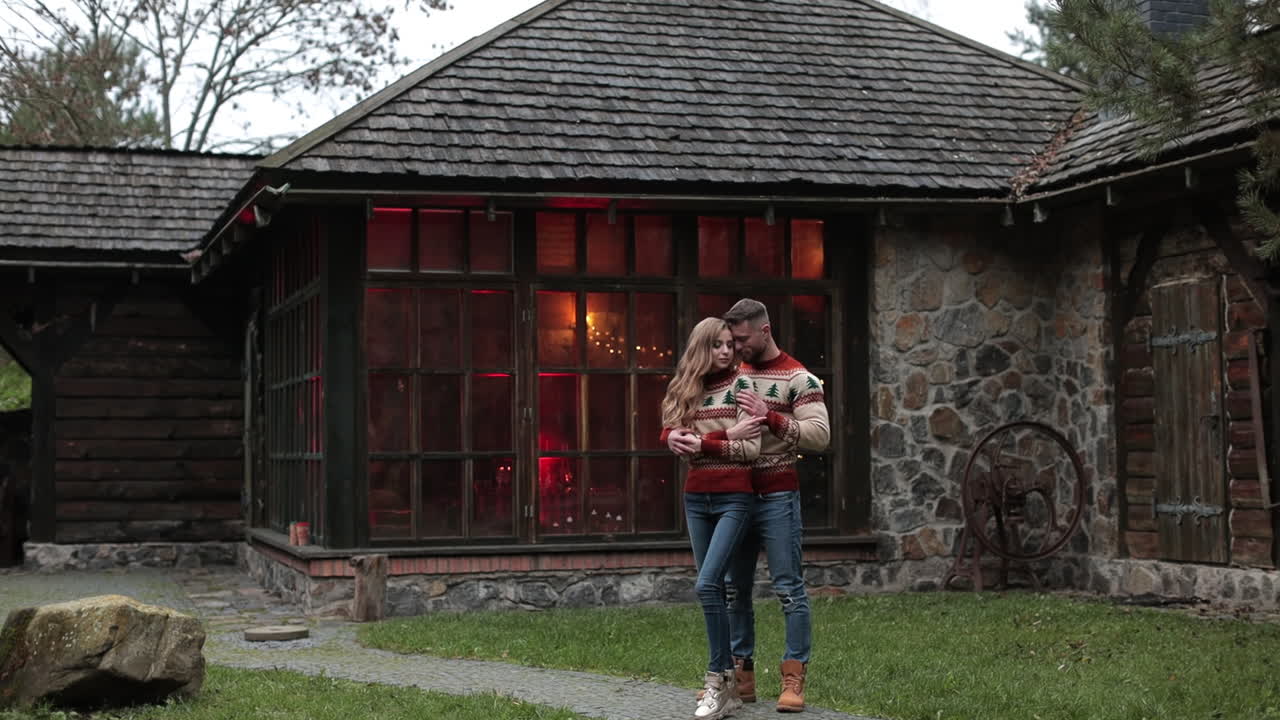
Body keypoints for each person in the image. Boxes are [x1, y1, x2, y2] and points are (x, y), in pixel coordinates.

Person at [722, 298, 830, 714]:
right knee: (736, 590)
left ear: (764, 331)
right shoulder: (732, 372)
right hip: (734, 495)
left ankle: (793, 677)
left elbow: (820, 436)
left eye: (742, 339)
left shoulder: (799, 378)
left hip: (778, 495)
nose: (736, 347)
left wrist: (770, 416)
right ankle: (740, 678)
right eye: (731, 339)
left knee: (788, 588)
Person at [663, 317, 768, 720]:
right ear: (701, 348)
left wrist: (703, 442)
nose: (726, 351)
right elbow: (678, 440)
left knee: (709, 585)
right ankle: (727, 685)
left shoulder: (742, 386)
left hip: (734, 500)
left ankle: (717, 679)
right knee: (713, 590)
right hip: (696, 499)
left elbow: (751, 450)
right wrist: (716, 437)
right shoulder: (684, 388)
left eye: (730, 344)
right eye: (718, 345)